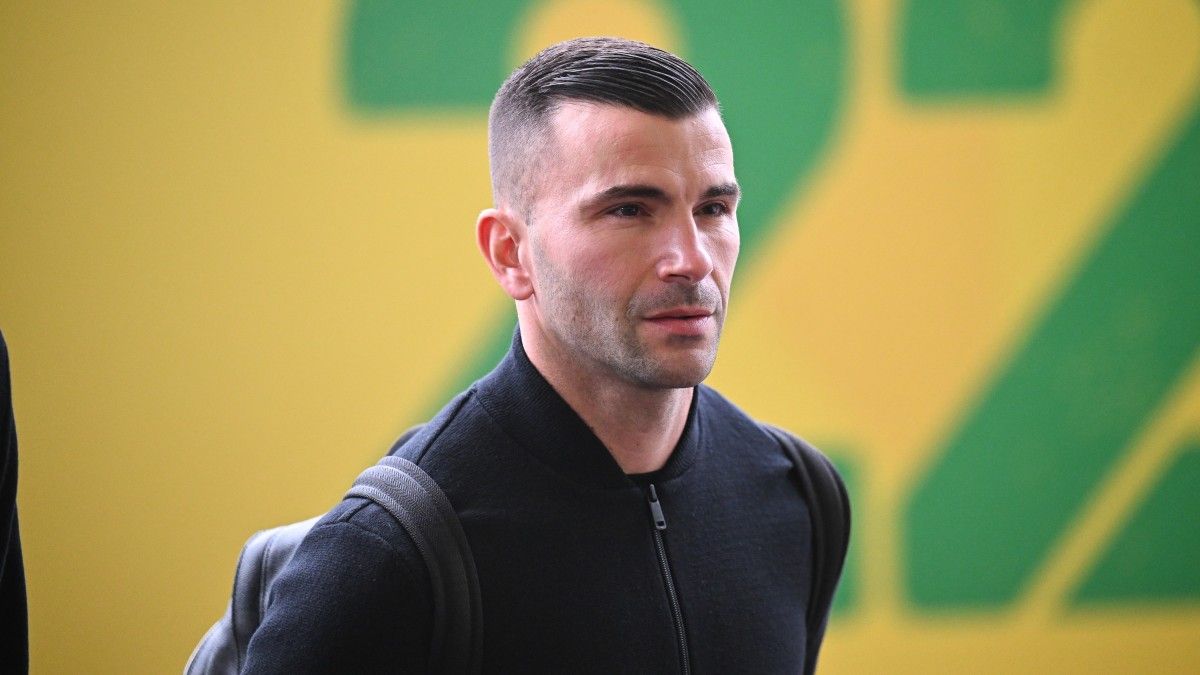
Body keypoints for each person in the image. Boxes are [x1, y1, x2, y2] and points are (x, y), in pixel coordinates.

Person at [243, 37, 846, 673]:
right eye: (630, 210)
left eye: (714, 209)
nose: (692, 259)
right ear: (510, 253)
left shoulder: (799, 497)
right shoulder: (387, 554)